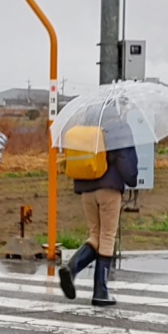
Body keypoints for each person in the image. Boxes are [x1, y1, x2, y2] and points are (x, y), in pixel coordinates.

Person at [59, 102, 138, 306]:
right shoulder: (118, 127)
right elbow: (126, 162)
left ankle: (71, 268)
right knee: (107, 236)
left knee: (95, 234)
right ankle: (100, 291)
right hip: (109, 190)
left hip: (86, 190)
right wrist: (132, 179)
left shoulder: (86, 129)